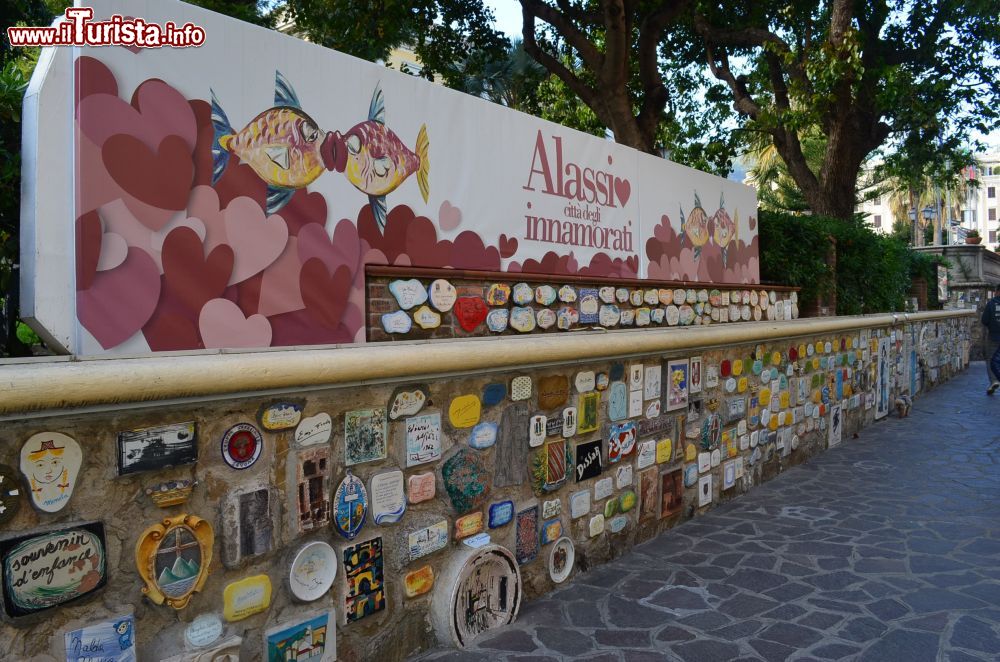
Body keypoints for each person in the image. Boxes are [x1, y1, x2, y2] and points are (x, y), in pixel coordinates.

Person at [982, 291, 1000, 394]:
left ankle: (994, 381)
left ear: (997, 292)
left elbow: (984, 320)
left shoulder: (991, 304)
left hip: (994, 337)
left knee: (990, 359)